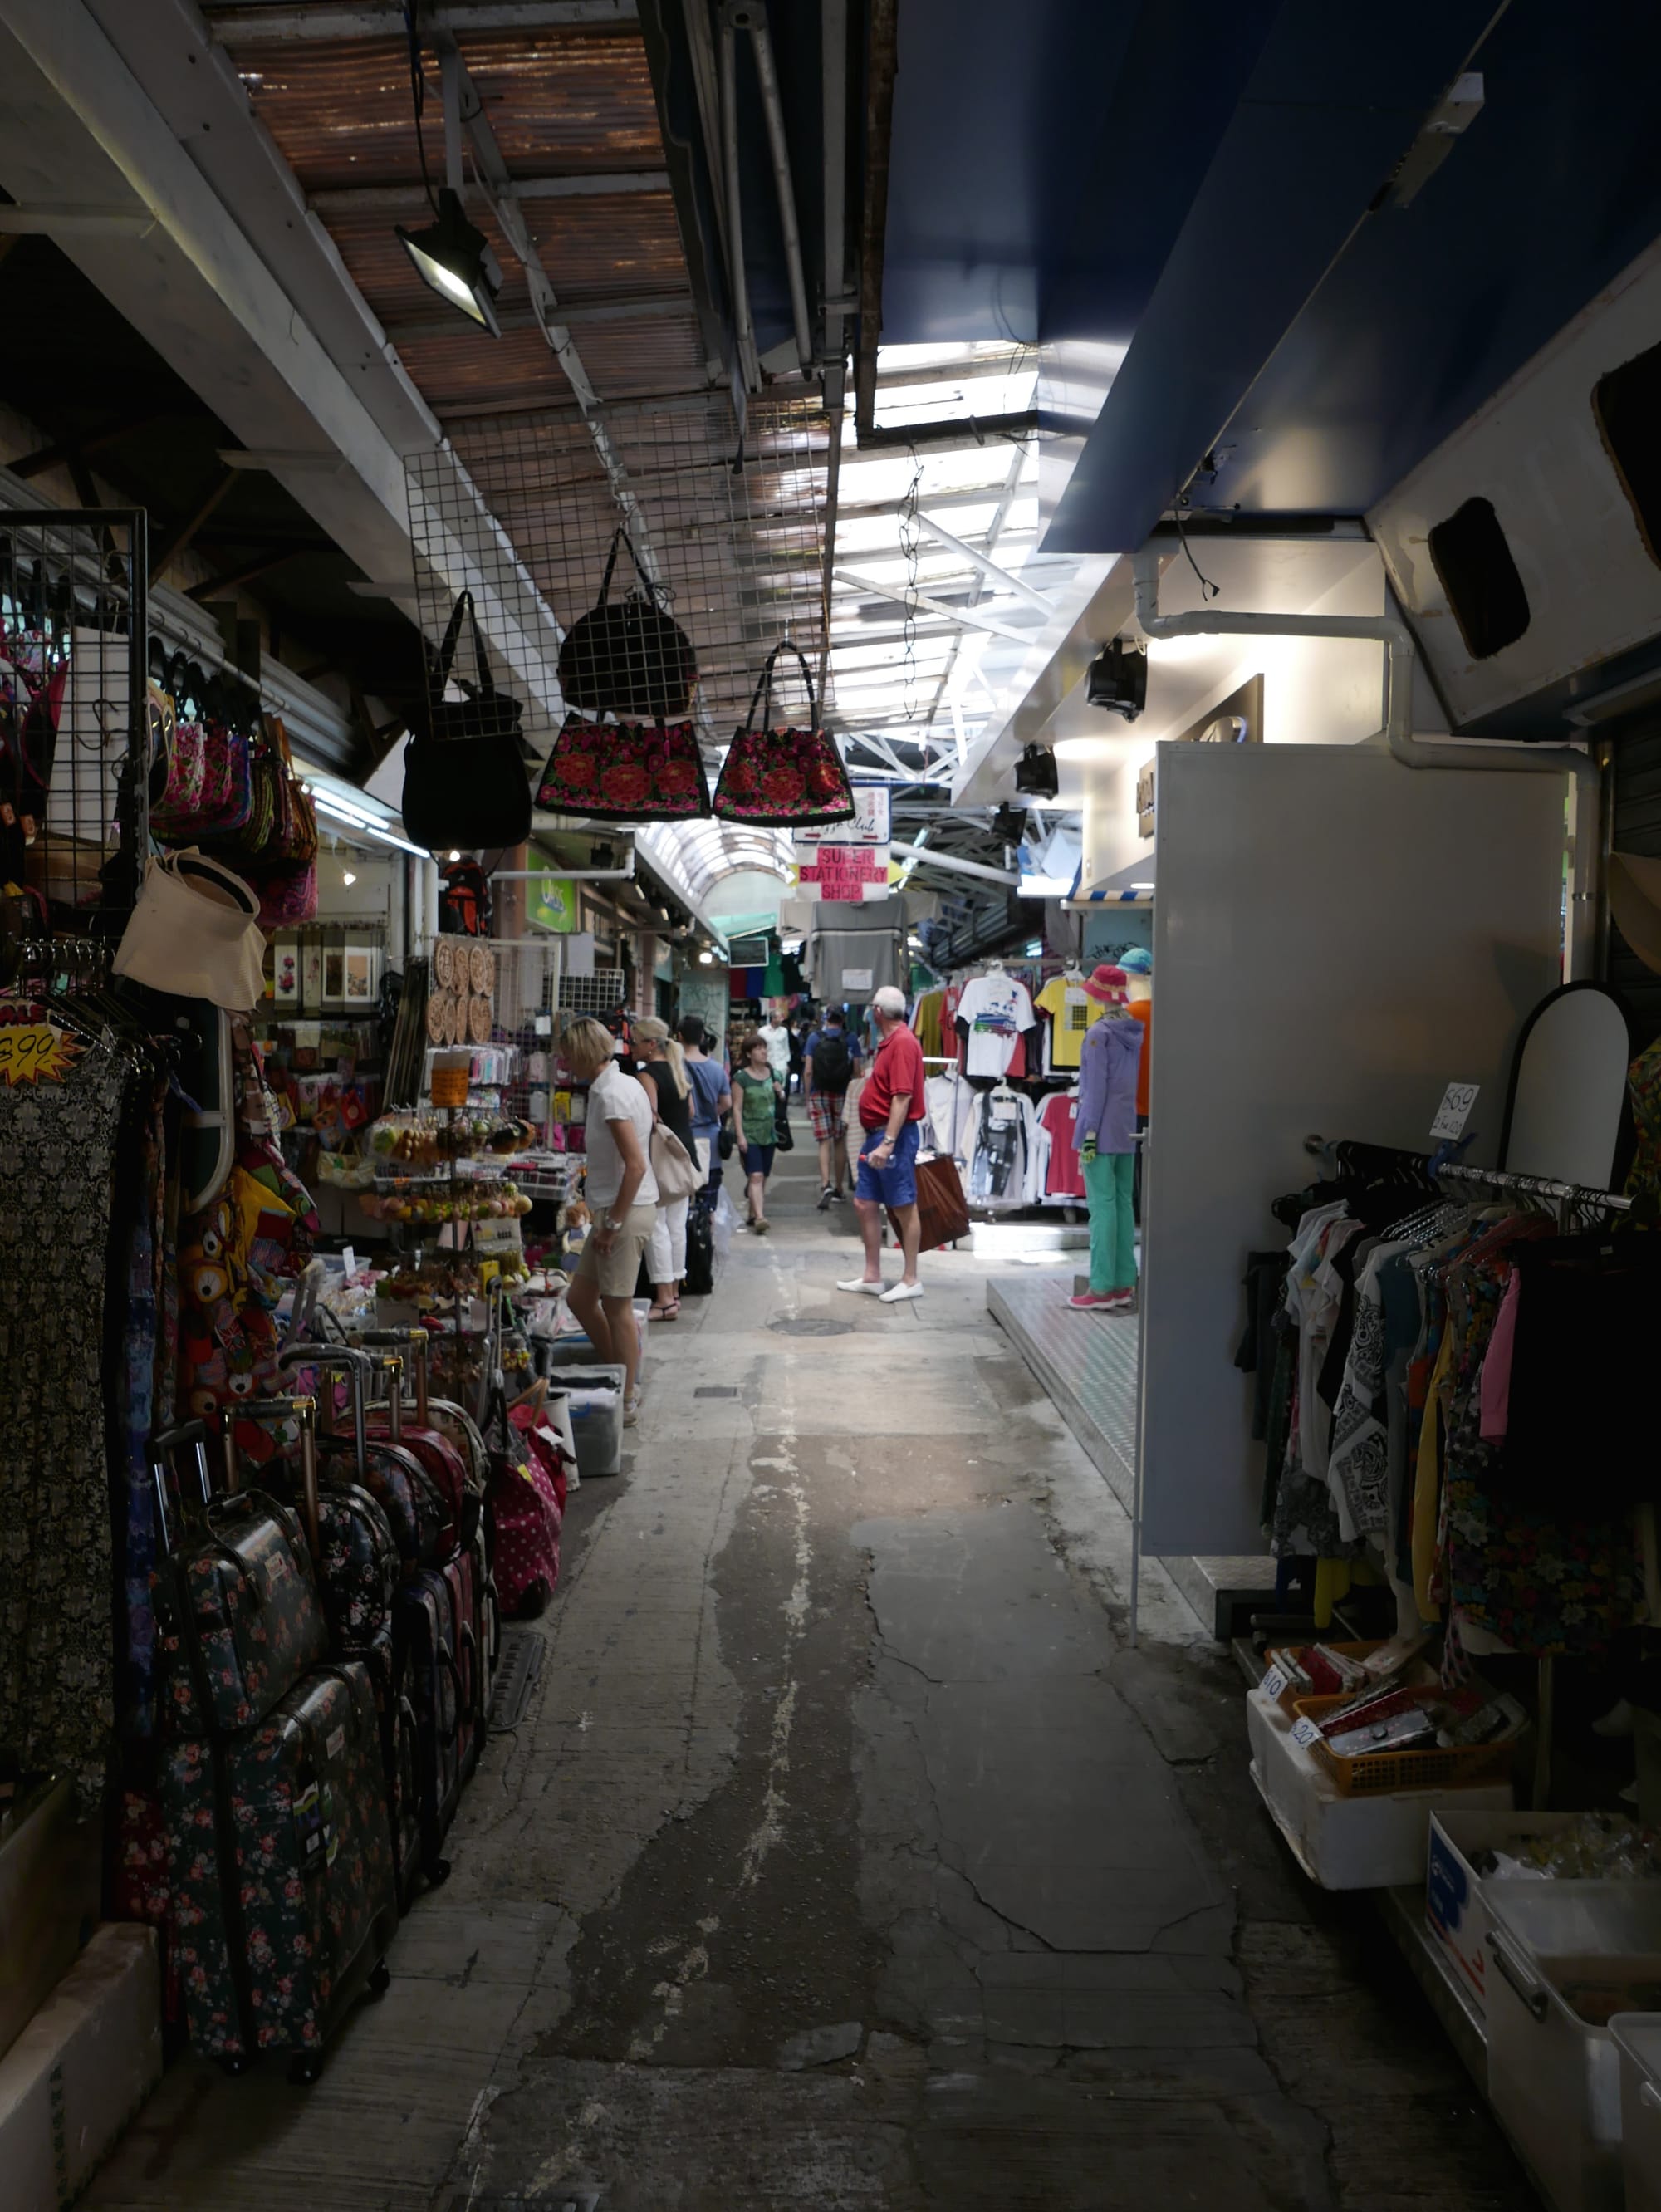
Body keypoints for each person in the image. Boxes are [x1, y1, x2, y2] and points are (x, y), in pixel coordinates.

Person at [561, 1016, 657, 1424]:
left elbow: (634, 1166)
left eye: (567, 1055)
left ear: (581, 1054)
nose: (563, 1063)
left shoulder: (614, 1095)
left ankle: (628, 1396)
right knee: (580, 1299)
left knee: (618, 1308)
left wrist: (612, 1224)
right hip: (613, 1208)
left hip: (623, 1212)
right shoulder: (621, 1084)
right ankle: (617, 1372)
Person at [838, 983, 927, 1303]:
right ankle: (872, 1275)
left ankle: (910, 1278)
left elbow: (902, 1098)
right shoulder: (891, 1042)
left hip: (893, 1138)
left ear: (877, 1012)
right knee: (864, 1202)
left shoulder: (902, 1043)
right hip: (876, 1135)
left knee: (902, 1205)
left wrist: (888, 1143)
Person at [1067, 965, 1145, 1313]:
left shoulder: (1099, 1034)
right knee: (1123, 1206)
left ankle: (1100, 1287)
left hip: (1100, 1131)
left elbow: (1095, 1089)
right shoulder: (1133, 1031)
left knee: (1101, 1210)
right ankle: (1123, 1283)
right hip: (1127, 1128)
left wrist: (1089, 1134)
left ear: (1099, 994)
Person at [634, 1015, 693, 1322]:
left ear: (650, 1044)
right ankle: (674, 1292)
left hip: (660, 1158)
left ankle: (664, 1299)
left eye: (635, 1041)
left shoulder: (648, 1074)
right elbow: (692, 1111)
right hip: (683, 1154)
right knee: (675, 1226)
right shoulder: (677, 1069)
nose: (631, 1047)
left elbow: (650, 1118)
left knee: (656, 1227)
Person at [801, 1004, 861, 1210]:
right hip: (842, 1094)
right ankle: (839, 1188)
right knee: (839, 1141)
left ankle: (825, 1183)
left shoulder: (814, 1038)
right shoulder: (851, 1038)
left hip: (819, 1093)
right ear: (843, 1019)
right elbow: (856, 1070)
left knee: (823, 1142)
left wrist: (808, 1096)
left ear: (826, 1018)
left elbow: (808, 1071)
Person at [730, 1029, 783, 1234]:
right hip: (749, 1132)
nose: (763, 1052)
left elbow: (782, 1101)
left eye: (764, 1048)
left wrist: (780, 1091)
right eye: (758, 1049)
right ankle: (760, 1218)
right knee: (756, 1176)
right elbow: (736, 1108)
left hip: (769, 1133)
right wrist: (740, 1135)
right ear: (749, 1054)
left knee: (763, 1176)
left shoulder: (774, 1074)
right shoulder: (741, 1078)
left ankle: (753, 1212)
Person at [679, 1015, 730, 1194]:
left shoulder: (674, 1067)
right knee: (708, 1199)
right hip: (711, 1140)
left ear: (679, 1036)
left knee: (683, 1199)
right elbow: (726, 1103)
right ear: (702, 1037)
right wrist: (709, 1113)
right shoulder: (717, 1069)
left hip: (681, 1139)